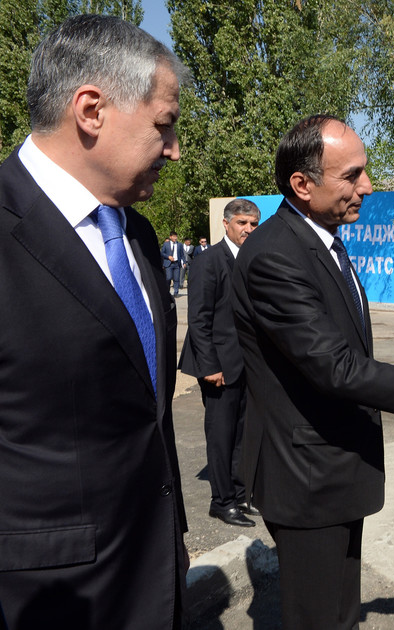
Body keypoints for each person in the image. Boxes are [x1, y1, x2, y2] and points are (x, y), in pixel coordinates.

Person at [231, 114, 394, 630]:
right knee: (318, 620)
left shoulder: (320, 240)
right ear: (302, 185)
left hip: (332, 468)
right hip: (306, 477)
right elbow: (336, 367)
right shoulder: (275, 255)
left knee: (341, 615)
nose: (368, 186)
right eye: (352, 175)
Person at [0, 15, 189, 628]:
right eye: (164, 124)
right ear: (91, 110)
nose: (175, 149)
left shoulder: (137, 233)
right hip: (47, 599)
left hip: (156, 576)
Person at [179, 198, 261, 528]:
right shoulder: (208, 261)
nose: (248, 229)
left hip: (246, 364)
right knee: (221, 434)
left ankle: (240, 495)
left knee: (243, 433)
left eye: (253, 224)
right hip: (218, 366)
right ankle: (221, 502)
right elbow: (199, 319)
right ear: (226, 224)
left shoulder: (254, 259)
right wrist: (210, 366)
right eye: (242, 223)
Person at [161, 230, 186, 295]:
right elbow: (162, 253)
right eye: (174, 236)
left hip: (177, 264)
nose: (175, 238)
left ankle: (176, 292)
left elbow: (182, 254)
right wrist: (168, 257)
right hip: (169, 264)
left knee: (176, 279)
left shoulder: (179, 244)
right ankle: (167, 292)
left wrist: (184, 262)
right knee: (168, 278)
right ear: (170, 237)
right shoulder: (166, 244)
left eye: (176, 236)